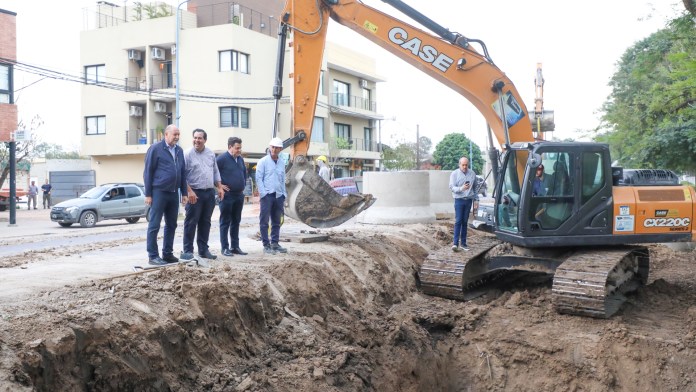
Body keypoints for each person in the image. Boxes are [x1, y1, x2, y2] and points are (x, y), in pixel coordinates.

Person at [143, 124, 188, 266]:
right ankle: (153, 256)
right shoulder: (155, 149)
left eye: (178, 134)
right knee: (154, 224)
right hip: (158, 192)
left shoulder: (179, 151)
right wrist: (148, 194)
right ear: (166, 134)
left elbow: (182, 172)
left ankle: (167, 254)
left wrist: (184, 192)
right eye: (174, 134)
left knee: (172, 224)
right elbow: (148, 172)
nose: (177, 137)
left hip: (174, 193)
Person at [181, 129, 223, 262]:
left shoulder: (210, 153)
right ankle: (187, 251)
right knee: (191, 222)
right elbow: (182, 176)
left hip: (209, 193)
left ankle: (203, 250)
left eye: (200, 138)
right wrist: (189, 191)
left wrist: (220, 187)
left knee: (206, 222)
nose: (197, 140)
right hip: (194, 193)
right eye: (195, 137)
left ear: (205, 140)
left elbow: (215, 171)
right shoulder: (187, 154)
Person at [256, 137, 288, 254]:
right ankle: (266, 244)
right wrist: (263, 194)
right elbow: (259, 178)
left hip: (279, 195)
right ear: (270, 147)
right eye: (273, 147)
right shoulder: (263, 162)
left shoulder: (281, 162)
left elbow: (283, 179)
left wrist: (284, 194)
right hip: (267, 195)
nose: (274, 149)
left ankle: (275, 243)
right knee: (264, 221)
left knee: (276, 220)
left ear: (280, 149)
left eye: (277, 148)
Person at [217, 136, 248, 257]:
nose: (239, 150)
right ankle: (225, 248)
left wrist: (243, 184)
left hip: (238, 195)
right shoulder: (222, 159)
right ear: (230, 147)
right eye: (237, 148)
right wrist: (218, 186)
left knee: (236, 221)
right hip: (227, 195)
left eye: (240, 148)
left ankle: (235, 246)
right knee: (225, 221)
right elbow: (214, 173)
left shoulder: (239, 159)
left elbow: (243, 173)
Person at [448, 157, 477, 252]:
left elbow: (475, 188)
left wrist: (476, 200)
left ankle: (463, 244)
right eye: (463, 165)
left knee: (465, 222)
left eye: (466, 165)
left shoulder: (472, 173)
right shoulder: (454, 174)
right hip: (459, 200)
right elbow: (451, 186)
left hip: (468, 200)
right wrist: (461, 188)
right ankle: (455, 243)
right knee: (458, 221)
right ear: (459, 164)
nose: (465, 167)